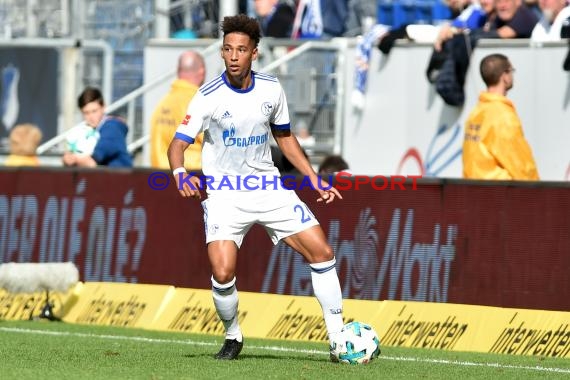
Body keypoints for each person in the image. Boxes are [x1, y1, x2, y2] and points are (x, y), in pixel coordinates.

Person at [167, 14, 345, 361]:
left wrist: (312, 177)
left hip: (267, 188)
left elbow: (285, 137)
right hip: (224, 194)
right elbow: (177, 144)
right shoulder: (207, 96)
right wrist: (179, 174)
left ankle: (338, 340)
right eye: (228, 49)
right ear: (221, 53)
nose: (233, 56)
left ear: (255, 53)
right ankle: (233, 336)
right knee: (222, 272)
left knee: (322, 252)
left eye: (241, 50)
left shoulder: (270, 89)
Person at [462, 54, 539, 180]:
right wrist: (537, 190)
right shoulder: (502, 116)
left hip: (473, 190)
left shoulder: (476, 112)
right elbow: (520, 163)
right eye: (511, 71)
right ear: (504, 76)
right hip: (499, 193)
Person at [150, 51, 206, 170]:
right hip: (192, 180)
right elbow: (215, 144)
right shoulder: (198, 102)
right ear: (202, 71)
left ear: (178, 71)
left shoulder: (162, 104)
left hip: (160, 180)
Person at [63, 87, 132, 168]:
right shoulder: (86, 130)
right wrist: (67, 158)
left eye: (94, 111)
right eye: (86, 113)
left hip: (119, 178)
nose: (91, 117)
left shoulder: (112, 128)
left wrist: (75, 159)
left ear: (103, 107)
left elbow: (93, 162)